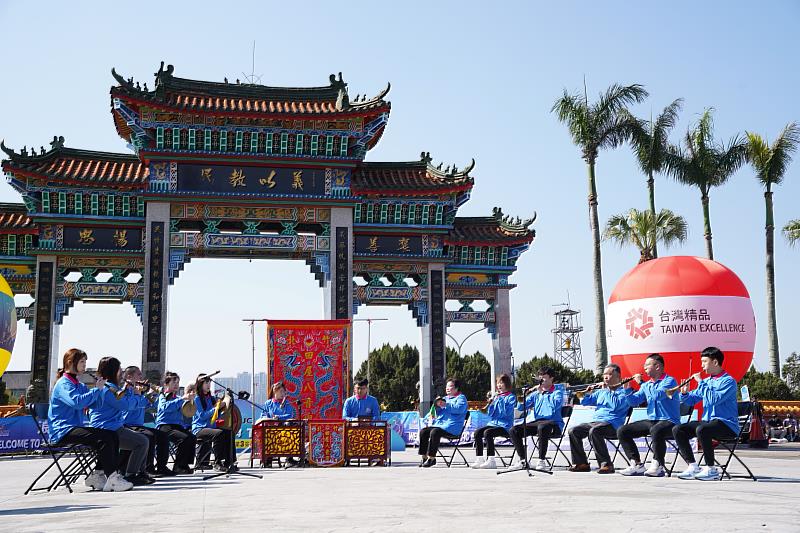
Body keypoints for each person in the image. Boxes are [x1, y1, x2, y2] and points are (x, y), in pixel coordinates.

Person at [48, 348, 132, 492]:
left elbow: (94, 405)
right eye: (82, 361)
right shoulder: (63, 384)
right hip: (62, 430)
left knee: (111, 434)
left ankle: (98, 475)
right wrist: (95, 390)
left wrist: (99, 391)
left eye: (85, 361)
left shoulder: (79, 385)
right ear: (70, 363)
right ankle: (112, 478)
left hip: (73, 428)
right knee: (104, 438)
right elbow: (77, 403)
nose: (85, 365)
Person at [672, 346, 739, 481]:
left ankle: (711, 468)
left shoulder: (729, 381)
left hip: (726, 424)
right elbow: (692, 400)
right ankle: (692, 466)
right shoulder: (707, 382)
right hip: (708, 422)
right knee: (678, 429)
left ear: (715, 362)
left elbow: (715, 399)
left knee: (703, 429)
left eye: (704, 362)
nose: (702, 365)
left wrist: (701, 382)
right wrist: (684, 394)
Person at [89, 357, 154, 486]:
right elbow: (125, 405)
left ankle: (136, 472)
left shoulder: (111, 387)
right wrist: (138, 396)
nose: (121, 373)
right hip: (108, 429)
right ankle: (130, 475)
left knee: (143, 440)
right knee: (142, 441)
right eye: (119, 369)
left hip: (113, 427)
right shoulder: (108, 389)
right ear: (113, 371)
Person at [617, 353, 681, 477]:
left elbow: (657, 396)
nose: (644, 368)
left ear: (657, 366)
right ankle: (636, 464)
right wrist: (627, 389)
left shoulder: (669, 381)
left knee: (656, 429)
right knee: (623, 430)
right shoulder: (647, 385)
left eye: (647, 365)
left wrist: (641, 382)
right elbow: (634, 402)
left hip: (669, 420)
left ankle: (658, 464)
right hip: (652, 420)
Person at [568, 363, 632, 474]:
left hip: (612, 424)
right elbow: (585, 401)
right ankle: (581, 463)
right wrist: (587, 393)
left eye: (609, 374)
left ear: (618, 377)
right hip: (596, 422)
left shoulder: (624, 392)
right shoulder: (601, 392)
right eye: (604, 374)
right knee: (573, 431)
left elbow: (615, 404)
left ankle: (606, 464)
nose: (606, 377)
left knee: (595, 431)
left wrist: (607, 391)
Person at [504, 368, 565, 471]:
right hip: (538, 422)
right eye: (540, 378)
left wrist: (543, 394)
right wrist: (525, 395)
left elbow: (556, 405)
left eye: (544, 378)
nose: (541, 381)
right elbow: (520, 407)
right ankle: (523, 460)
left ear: (551, 378)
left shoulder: (557, 392)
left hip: (553, 423)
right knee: (514, 430)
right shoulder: (535, 394)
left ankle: (541, 460)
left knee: (542, 427)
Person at [417, 378, 467, 468]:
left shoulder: (461, 398)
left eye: (451, 386)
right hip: (441, 425)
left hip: (452, 427)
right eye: (447, 386)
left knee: (435, 432)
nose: (448, 388)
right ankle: (424, 457)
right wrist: (436, 407)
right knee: (424, 431)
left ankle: (432, 458)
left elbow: (459, 409)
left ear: (456, 388)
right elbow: (435, 413)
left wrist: (445, 405)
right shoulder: (444, 398)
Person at [154, 371, 197, 475]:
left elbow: (188, 412)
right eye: (174, 383)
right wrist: (182, 399)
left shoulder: (178, 398)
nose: (176, 385)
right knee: (184, 438)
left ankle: (184, 464)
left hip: (176, 426)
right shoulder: (162, 396)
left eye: (177, 383)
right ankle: (178, 466)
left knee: (192, 437)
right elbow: (165, 408)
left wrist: (190, 401)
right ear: (166, 384)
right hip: (164, 425)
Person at [471, 374, 517, 470]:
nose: (499, 385)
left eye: (502, 383)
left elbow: (506, 413)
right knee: (477, 432)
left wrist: (500, 400)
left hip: (505, 426)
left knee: (488, 433)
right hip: (493, 423)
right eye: (498, 383)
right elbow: (491, 414)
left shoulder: (511, 397)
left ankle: (491, 459)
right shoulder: (497, 397)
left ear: (506, 384)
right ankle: (480, 458)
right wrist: (491, 404)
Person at [121, 366, 159, 476]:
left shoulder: (137, 391)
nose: (141, 377)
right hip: (128, 424)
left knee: (159, 435)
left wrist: (151, 394)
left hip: (138, 425)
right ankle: (142, 470)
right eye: (138, 374)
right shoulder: (126, 391)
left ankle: (149, 468)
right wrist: (141, 395)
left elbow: (149, 405)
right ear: (129, 376)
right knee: (148, 436)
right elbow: (132, 406)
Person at [192, 373, 234, 472]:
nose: (208, 385)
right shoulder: (196, 398)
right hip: (199, 429)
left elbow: (216, 415)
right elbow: (202, 416)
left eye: (209, 382)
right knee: (219, 434)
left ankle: (229, 462)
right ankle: (217, 462)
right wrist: (215, 408)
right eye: (206, 382)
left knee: (229, 432)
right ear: (200, 384)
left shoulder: (211, 398)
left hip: (210, 428)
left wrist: (223, 406)